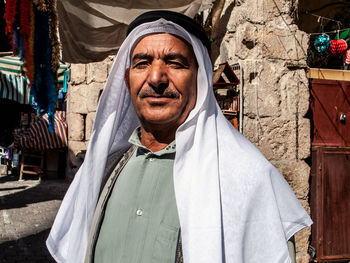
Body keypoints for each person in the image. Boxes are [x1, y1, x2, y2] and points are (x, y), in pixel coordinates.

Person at [47, 11, 312, 263]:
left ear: (200, 79)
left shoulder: (247, 178)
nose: (156, 78)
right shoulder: (103, 170)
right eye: (142, 63)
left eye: (174, 63)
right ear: (127, 81)